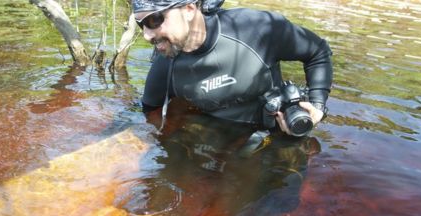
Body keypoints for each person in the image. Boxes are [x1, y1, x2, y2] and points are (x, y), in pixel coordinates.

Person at [132, 0, 333, 138]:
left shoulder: (257, 29)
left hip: (278, 133)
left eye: (154, 20)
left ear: (189, 9)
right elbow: (150, 113)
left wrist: (318, 105)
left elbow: (318, 52)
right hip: (216, 140)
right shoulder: (165, 65)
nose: (147, 36)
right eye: (141, 25)